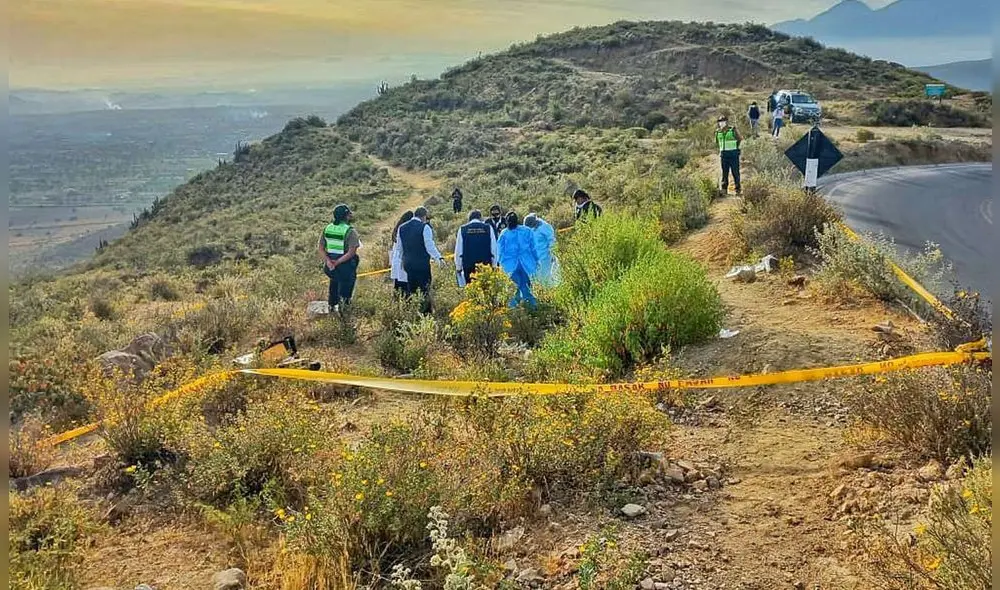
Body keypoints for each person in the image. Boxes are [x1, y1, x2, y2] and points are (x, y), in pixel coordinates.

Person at [397, 206, 445, 313]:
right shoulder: (425, 227)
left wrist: (400, 264)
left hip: (408, 264)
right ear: (423, 216)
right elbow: (429, 246)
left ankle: (414, 312)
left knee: (412, 288)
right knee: (424, 289)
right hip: (422, 264)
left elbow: (399, 249)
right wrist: (438, 258)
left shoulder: (402, 228)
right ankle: (425, 313)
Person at [318, 203, 361, 314]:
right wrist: (337, 262)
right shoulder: (350, 231)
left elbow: (321, 248)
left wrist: (328, 262)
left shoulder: (327, 228)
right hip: (345, 266)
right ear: (346, 216)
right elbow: (351, 252)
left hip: (329, 268)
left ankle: (331, 306)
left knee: (334, 281)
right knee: (346, 290)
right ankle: (344, 315)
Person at [497, 212, 539, 308]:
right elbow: (533, 248)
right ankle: (532, 308)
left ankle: (515, 310)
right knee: (526, 287)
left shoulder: (504, 234)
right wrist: (536, 260)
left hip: (510, 266)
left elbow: (500, 252)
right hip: (527, 263)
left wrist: (500, 265)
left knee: (513, 289)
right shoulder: (527, 231)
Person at [454, 209, 498, 287]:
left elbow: (459, 250)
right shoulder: (488, 228)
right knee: (486, 290)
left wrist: (458, 266)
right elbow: (494, 248)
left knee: (471, 290)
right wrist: (494, 265)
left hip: (468, 265)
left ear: (469, 218)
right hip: (485, 265)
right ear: (480, 218)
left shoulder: (463, 229)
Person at [524, 213, 557, 287]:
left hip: (546, 258)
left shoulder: (544, 227)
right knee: (537, 280)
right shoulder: (528, 230)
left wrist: (553, 254)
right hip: (535, 260)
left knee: (547, 279)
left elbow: (552, 241)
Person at [715, 115, 742, 196]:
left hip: (733, 154)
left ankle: (738, 189)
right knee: (724, 172)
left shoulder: (732, 129)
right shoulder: (718, 132)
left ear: (726, 122)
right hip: (724, 155)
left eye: (723, 121)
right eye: (720, 122)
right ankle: (724, 189)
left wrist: (736, 148)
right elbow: (717, 142)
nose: (721, 123)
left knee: (735, 172)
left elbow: (739, 139)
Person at [389, 210, 413, 296]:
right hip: (403, 260)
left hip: (396, 261)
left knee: (398, 286)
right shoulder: (404, 229)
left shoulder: (397, 229)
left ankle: (396, 305)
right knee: (405, 287)